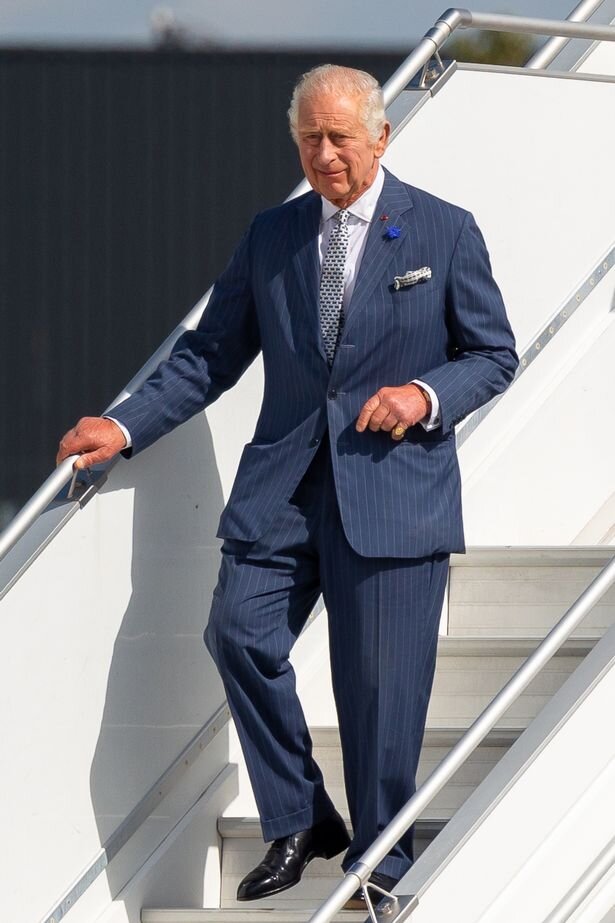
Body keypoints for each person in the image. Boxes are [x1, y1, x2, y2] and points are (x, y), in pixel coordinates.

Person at [57, 65, 517, 908]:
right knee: (237, 631)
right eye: (309, 138)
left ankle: (381, 863)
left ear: (380, 136)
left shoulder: (444, 230)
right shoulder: (272, 235)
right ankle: (300, 813)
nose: (324, 154)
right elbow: (209, 355)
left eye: (339, 137)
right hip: (283, 488)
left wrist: (423, 396)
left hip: (393, 493)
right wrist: (122, 427)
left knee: (379, 694)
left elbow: (491, 355)